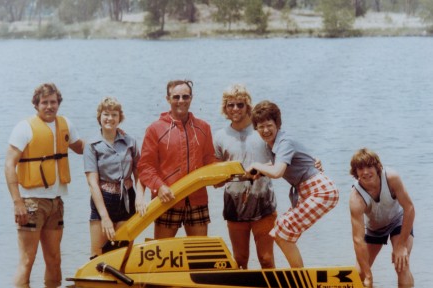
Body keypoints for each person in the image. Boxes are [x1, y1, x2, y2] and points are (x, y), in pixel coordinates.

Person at [4, 83, 84, 286]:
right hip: (31, 203)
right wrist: (17, 202)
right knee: (27, 261)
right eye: (44, 102)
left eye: (53, 102)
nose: (49, 106)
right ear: (36, 105)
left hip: (56, 203)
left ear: (59, 103)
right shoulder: (24, 128)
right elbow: (9, 165)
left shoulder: (65, 124)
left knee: (55, 260)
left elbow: (82, 148)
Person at [246, 100, 339, 268]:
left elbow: (277, 172)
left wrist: (255, 165)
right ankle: (298, 274)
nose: (266, 130)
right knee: (279, 232)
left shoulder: (284, 142)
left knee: (283, 229)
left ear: (277, 124)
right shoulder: (272, 144)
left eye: (269, 125)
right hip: (309, 190)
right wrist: (258, 172)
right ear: (256, 128)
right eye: (261, 127)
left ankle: (299, 277)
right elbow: (275, 166)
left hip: (321, 190)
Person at [138, 79, 217, 239]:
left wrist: (227, 172)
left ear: (191, 98)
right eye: (176, 97)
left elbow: (210, 162)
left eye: (185, 97)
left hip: (197, 200)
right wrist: (159, 187)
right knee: (163, 254)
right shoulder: (155, 129)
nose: (181, 101)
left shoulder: (204, 128)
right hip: (167, 199)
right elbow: (145, 167)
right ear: (168, 99)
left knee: (199, 255)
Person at [213, 84, 276, 269]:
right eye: (230, 105)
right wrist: (219, 179)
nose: (235, 109)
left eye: (240, 105)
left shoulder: (263, 130)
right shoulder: (219, 136)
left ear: (248, 106)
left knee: (266, 259)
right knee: (239, 260)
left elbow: (282, 161)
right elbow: (215, 177)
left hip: (263, 202)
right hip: (234, 203)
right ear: (225, 108)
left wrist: (260, 170)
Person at [83, 97, 146, 259]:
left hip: (127, 199)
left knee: (123, 255)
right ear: (100, 117)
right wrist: (104, 217)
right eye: (106, 114)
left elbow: (139, 173)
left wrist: (140, 196)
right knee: (97, 255)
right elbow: (92, 183)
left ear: (120, 118)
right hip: (103, 199)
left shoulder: (130, 142)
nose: (110, 118)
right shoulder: (92, 145)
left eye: (114, 115)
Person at [349, 148, 414, 288]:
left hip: (398, 222)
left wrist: (401, 245)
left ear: (377, 167)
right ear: (355, 173)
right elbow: (358, 239)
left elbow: (409, 208)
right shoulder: (356, 198)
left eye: (369, 166)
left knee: (401, 265)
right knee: (359, 274)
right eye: (360, 169)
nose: (365, 172)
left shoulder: (391, 178)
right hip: (374, 229)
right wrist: (367, 275)